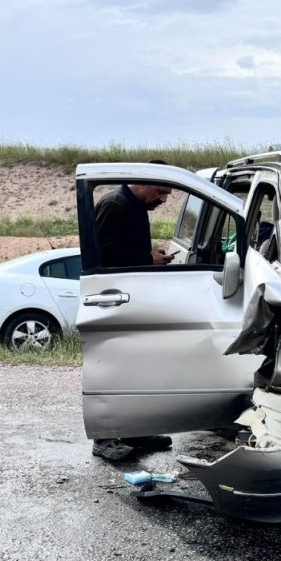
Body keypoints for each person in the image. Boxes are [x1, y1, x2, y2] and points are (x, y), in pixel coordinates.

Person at [90, 160, 175, 461]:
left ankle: (134, 432)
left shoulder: (133, 205)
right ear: (142, 183)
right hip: (110, 301)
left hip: (129, 299)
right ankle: (104, 438)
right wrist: (146, 258)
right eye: (161, 192)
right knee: (111, 370)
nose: (164, 199)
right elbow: (102, 255)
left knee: (134, 370)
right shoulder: (115, 205)